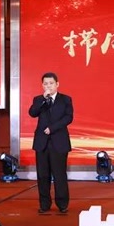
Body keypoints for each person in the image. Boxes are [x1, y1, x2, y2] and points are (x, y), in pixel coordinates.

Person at [28, 72, 74, 214]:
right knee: (43, 175)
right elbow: (32, 113)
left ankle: (62, 204)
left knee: (59, 175)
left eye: (51, 83)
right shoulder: (38, 99)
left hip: (59, 141)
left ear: (57, 84)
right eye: (46, 84)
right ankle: (44, 204)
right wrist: (43, 99)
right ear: (42, 85)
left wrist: (52, 128)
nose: (48, 86)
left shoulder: (65, 99)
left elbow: (68, 117)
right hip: (42, 143)